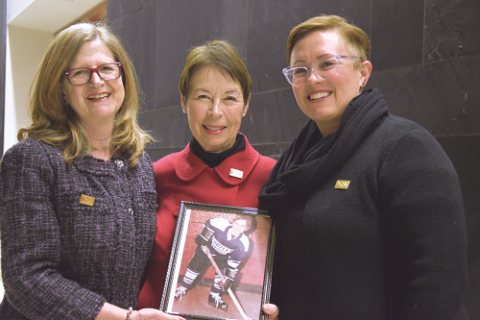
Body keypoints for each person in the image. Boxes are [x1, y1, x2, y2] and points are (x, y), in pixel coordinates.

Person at [258, 15, 469, 319]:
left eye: (327, 63)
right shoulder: (294, 162)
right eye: (300, 70)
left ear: (363, 72)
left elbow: (440, 279)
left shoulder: (405, 146)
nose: (313, 79)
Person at [0, 23, 182, 320]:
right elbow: (27, 278)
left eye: (107, 69)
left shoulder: (138, 164)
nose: (97, 81)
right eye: (80, 73)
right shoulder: (32, 160)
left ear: (122, 77)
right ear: (60, 88)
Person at [137, 40, 279, 318]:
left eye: (230, 98)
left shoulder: (274, 178)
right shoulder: (156, 175)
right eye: (202, 97)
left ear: (246, 104)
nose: (215, 111)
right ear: (183, 101)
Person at [174, 215, 254, 310]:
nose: (238, 227)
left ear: (247, 228)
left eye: (242, 226)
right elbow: (209, 223)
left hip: (223, 257)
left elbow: (234, 262)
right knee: (194, 268)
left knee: (222, 277)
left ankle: (213, 297)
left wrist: (228, 277)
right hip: (206, 249)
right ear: (232, 222)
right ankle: (182, 289)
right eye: (237, 223)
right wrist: (204, 237)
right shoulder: (220, 223)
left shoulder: (243, 243)